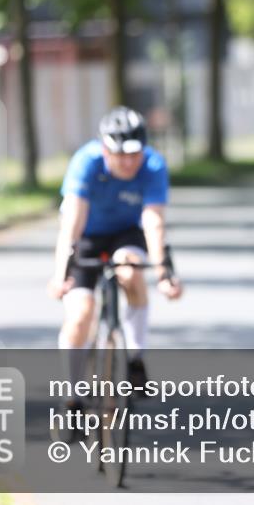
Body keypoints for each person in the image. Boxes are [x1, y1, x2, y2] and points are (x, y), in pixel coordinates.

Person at [47, 106, 182, 416]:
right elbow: (72, 223)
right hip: (88, 236)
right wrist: (60, 275)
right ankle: (71, 398)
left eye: (134, 154)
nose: (128, 162)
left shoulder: (153, 166)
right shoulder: (85, 162)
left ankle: (135, 359)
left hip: (127, 233)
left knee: (130, 269)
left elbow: (153, 222)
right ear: (104, 149)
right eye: (119, 154)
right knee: (81, 314)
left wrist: (163, 273)